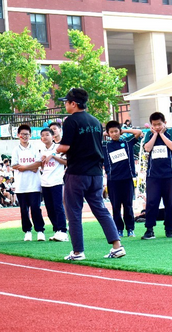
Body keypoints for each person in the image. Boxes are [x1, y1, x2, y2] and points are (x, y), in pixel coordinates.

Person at [56, 88, 124, 261]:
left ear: (73, 104)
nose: (65, 104)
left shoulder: (70, 121)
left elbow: (64, 147)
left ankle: (78, 252)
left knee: (74, 212)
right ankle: (117, 246)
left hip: (77, 172)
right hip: (96, 173)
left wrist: (56, 146)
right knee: (101, 209)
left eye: (66, 102)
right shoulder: (95, 121)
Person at [141, 112, 172, 240]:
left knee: (170, 202)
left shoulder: (171, 132)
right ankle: (149, 229)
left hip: (169, 174)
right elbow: (147, 148)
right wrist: (155, 134)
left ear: (165, 123)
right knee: (152, 202)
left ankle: (169, 229)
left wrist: (162, 134)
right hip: (153, 175)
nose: (157, 127)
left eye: (159, 124)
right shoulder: (149, 134)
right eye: (154, 125)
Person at [102, 121, 143, 237]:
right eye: (111, 132)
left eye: (116, 131)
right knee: (116, 206)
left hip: (127, 179)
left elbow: (138, 132)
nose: (114, 134)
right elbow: (95, 139)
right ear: (108, 133)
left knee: (128, 205)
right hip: (113, 180)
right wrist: (105, 134)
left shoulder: (127, 142)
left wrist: (123, 131)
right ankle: (118, 229)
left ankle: (130, 228)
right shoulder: (105, 146)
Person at [12, 125, 45, 242]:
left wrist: (24, 167)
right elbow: (15, 166)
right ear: (18, 135)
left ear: (30, 135)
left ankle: (40, 230)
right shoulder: (16, 150)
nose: (24, 136)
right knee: (24, 210)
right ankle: (27, 231)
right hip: (21, 185)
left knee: (36, 208)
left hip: (34, 184)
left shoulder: (35, 148)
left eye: (27, 134)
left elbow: (39, 164)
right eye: (22, 134)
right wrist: (30, 167)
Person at [38, 127, 68, 242]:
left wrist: (53, 156)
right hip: (45, 182)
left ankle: (63, 231)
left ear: (52, 137)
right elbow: (41, 166)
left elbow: (66, 162)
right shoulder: (40, 150)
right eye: (43, 135)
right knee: (49, 208)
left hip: (56, 181)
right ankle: (56, 230)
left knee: (58, 206)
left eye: (47, 134)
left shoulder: (58, 148)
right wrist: (42, 161)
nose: (45, 137)